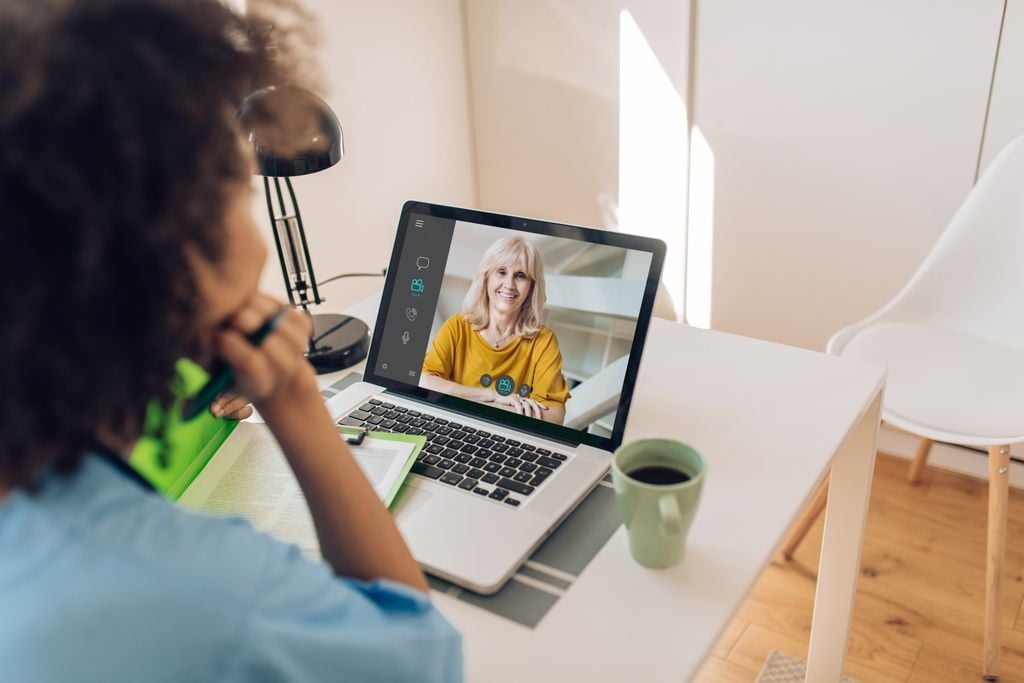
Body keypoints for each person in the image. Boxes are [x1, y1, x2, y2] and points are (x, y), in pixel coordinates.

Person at [0, 1, 461, 681]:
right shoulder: (216, 602)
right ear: (180, 254)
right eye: (240, 193)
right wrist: (298, 399)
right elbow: (422, 657)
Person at [421, 236, 570, 424]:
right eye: (501, 272)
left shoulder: (543, 340)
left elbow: (555, 417)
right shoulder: (457, 327)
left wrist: (476, 403)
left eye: (520, 275)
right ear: (486, 277)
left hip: (507, 438)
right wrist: (492, 396)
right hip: (452, 426)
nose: (509, 284)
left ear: (532, 286)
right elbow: (425, 382)